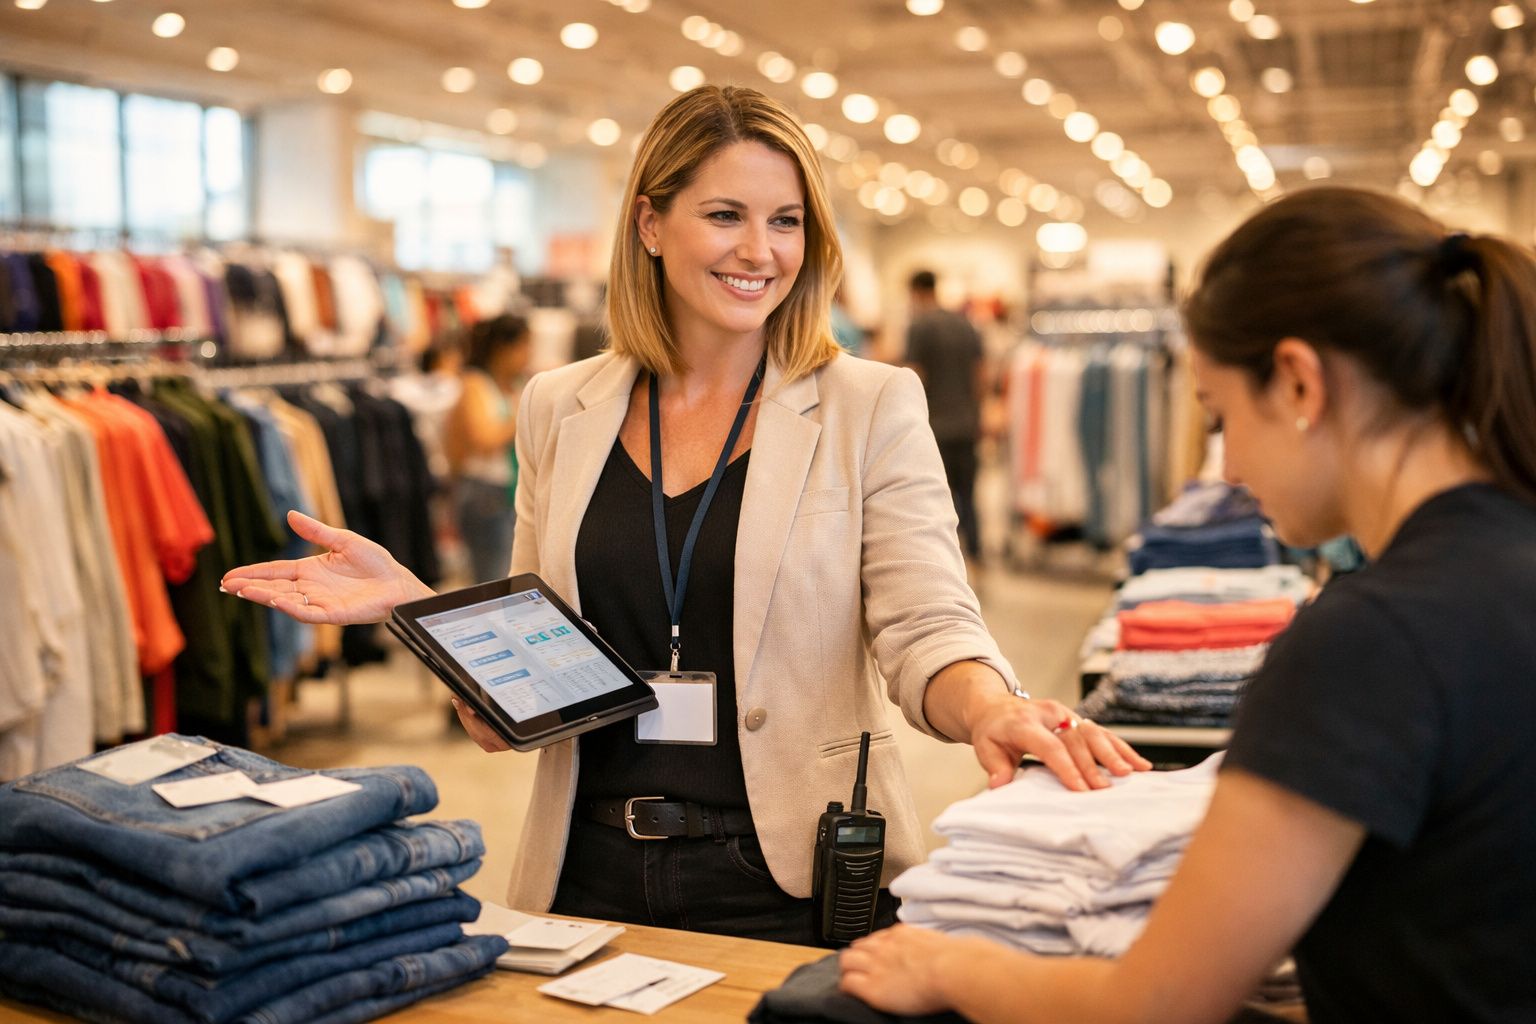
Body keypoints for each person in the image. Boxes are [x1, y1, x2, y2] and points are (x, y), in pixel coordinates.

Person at [220, 85, 1147, 946]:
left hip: (790, 877)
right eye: (726, 216)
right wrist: (421, 612)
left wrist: (993, 706)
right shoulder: (559, 405)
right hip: (585, 868)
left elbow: (925, 621)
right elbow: (527, 693)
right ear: (650, 224)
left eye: (786, 221)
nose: (762, 251)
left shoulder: (869, 404)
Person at [839, 187, 1536, 1020]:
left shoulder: (1371, 637)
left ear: (1299, 384)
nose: (1229, 465)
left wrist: (943, 969)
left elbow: (1159, 1003)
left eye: (1220, 416)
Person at [905, 270, 985, 563]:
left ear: (915, 291)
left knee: (936, 501)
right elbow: (981, 376)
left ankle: (947, 562)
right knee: (970, 496)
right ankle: (976, 556)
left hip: (933, 426)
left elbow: (913, 376)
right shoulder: (966, 324)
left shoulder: (919, 326)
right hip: (966, 424)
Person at [443, 314, 530, 584]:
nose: (528, 355)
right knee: (492, 581)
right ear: (504, 348)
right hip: (484, 494)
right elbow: (484, 438)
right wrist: (525, 409)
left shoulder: (511, 386)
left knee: (507, 576)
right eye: (524, 346)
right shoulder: (475, 384)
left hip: (507, 491)